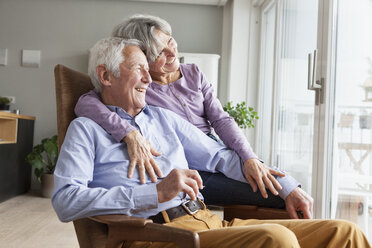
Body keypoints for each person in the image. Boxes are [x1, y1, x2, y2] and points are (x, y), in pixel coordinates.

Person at [52, 37, 370, 248]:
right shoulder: (86, 130)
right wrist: (155, 192)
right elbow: (65, 200)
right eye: (139, 69)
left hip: (206, 219)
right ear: (106, 76)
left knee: (344, 232)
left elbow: (223, 158)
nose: (150, 79)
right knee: (277, 239)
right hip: (154, 234)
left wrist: (288, 187)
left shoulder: (163, 119)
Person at [74, 14, 285, 208]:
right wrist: (129, 133)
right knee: (272, 194)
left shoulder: (193, 72)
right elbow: (85, 103)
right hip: (190, 165)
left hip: (214, 151)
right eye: (160, 53)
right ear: (143, 58)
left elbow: (221, 120)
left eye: (170, 41)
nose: (173, 53)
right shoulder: (140, 88)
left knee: (277, 182)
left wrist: (249, 158)